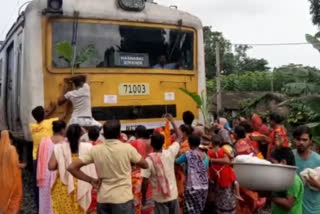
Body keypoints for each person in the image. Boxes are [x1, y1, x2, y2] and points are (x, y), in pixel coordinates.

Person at [67, 120, 148, 214]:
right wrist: (132, 164)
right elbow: (145, 164)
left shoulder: (96, 150)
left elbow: (71, 167)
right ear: (119, 134)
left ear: (104, 134)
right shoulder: (127, 148)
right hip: (123, 199)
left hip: (103, 199)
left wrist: (91, 180)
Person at [48, 124, 97, 214]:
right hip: (83, 183)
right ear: (80, 135)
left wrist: (61, 163)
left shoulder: (59, 147)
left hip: (63, 187)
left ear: (67, 135)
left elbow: (51, 166)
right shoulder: (88, 147)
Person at [141, 115, 182, 214]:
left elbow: (145, 182)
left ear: (151, 144)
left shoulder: (148, 160)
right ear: (163, 142)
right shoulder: (170, 153)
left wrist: (143, 197)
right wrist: (172, 120)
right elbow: (180, 136)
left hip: (159, 199)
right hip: (172, 195)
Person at [29, 104, 59, 211]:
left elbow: (42, 119)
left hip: (36, 158)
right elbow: (63, 117)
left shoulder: (32, 126)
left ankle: (39, 207)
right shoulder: (50, 122)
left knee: (38, 184)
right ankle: (50, 207)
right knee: (49, 181)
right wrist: (54, 108)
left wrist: (47, 112)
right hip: (47, 157)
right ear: (44, 114)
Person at [234, 126, 266, 214]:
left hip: (244, 174)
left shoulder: (239, 145)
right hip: (253, 172)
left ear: (236, 134)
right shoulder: (248, 142)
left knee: (245, 198)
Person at [37, 120, 66, 214]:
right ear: (62, 129)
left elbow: (38, 157)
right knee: (59, 201)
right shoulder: (66, 143)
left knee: (45, 201)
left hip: (44, 175)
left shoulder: (44, 141)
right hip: (60, 176)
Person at [176, 135, 209, 214]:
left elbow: (176, 162)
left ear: (189, 144)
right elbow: (206, 171)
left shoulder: (188, 155)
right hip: (204, 187)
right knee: (199, 209)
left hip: (192, 187)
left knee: (190, 209)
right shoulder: (205, 156)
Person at [208, 135, 240, 214]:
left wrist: (212, 160)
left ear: (212, 143)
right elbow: (229, 160)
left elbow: (226, 161)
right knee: (228, 196)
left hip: (215, 176)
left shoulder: (209, 152)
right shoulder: (224, 150)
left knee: (219, 197)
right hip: (226, 175)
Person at [292, 125, 320, 214]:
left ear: (310, 141)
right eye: (298, 139)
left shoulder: (318, 160)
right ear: (294, 140)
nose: (301, 142)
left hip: (313, 208)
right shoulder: (289, 157)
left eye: (304, 140)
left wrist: (317, 185)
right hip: (294, 208)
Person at [270, 147, 304, 214]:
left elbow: (288, 205)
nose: (270, 165)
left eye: (272, 162)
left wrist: (267, 196)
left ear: (283, 162)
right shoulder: (281, 177)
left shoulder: (293, 179)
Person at [130, 126, 154, 214]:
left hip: (138, 178)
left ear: (136, 134)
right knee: (150, 203)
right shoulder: (152, 142)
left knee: (138, 203)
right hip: (151, 175)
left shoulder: (134, 143)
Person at [0, 130, 23, 214]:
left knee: (6, 199)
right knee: (15, 198)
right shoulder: (11, 149)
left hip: (3, 180)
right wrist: (23, 165)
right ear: (9, 138)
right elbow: (15, 164)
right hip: (13, 179)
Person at [175, 124, 193, 213]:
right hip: (182, 174)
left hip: (184, 174)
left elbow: (179, 160)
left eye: (179, 131)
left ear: (184, 132)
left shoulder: (187, 144)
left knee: (182, 195)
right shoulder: (184, 143)